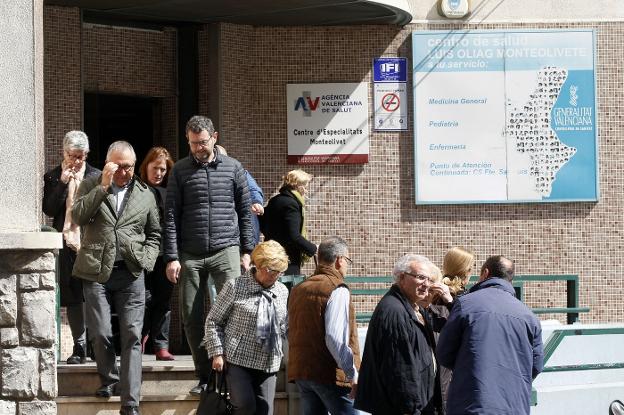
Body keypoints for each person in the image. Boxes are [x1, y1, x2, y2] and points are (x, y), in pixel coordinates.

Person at [163, 115, 255, 394]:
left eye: (202, 142)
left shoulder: (233, 168)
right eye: (192, 144)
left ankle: (232, 374)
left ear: (214, 137)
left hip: (226, 247)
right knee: (191, 315)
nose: (198, 148)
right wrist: (172, 256)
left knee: (234, 312)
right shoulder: (179, 171)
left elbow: (245, 210)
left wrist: (247, 250)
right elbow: (170, 215)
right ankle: (205, 376)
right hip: (190, 252)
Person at [72, 141, 161, 415]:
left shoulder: (145, 194)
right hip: (96, 271)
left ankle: (131, 403)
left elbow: (155, 234)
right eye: (118, 166)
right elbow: (77, 215)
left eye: (129, 167)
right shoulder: (90, 185)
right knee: (100, 333)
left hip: (131, 274)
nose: (124, 172)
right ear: (108, 163)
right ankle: (110, 378)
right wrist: (103, 185)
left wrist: (146, 260)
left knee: (133, 336)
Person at [436, 255, 544, 415]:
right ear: (510, 278)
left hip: (471, 403)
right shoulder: (529, 316)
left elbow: (444, 353)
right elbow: (535, 366)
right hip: (514, 406)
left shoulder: (466, 304)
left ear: (485, 273)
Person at [204, 240, 289, 415]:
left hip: (269, 361)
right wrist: (217, 353)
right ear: (258, 266)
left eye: (280, 272)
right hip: (239, 359)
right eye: (273, 271)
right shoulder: (235, 286)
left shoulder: (282, 291)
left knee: (265, 410)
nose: (277, 276)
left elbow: (283, 325)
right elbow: (213, 320)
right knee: (245, 406)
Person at [354, 254, 441, 415]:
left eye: (429, 280)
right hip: (403, 408)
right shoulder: (395, 312)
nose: (426, 285)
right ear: (402, 277)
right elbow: (400, 369)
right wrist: (411, 408)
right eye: (421, 277)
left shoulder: (413, 307)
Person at [43, 130, 100, 364]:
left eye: (80, 157)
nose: (76, 162)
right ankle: (80, 347)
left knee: (95, 295)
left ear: (86, 154)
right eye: (71, 156)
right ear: (63, 153)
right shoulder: (54, 176)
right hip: (66, 242)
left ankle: (98, 346)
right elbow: (49, 210)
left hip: (90, 241)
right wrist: (63, 183)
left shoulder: (96, 176)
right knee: (74, 296)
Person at [288, 236, 360, 415]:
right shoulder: (337, 288)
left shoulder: (299, 288)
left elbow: (288, 329)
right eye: (347, 261)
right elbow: (334, 337)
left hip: (302, 371)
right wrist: (352, 374)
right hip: (329, 374)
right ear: (339, 260)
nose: (346, 266)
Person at [427, 247, 475, 412]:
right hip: (451, 374)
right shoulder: (460, 299)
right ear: (464, 271)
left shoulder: (433, 294)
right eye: (470, 268)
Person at [138, 147, 175, 361]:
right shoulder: (137, 189)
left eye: (163, 169)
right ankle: (140, 338)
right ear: (146, 167)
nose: (159, 173)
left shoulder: (170, 192)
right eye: (156, 168)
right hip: (142, 254)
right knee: (142, 299)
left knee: (163, 299)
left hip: (165, 254)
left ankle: (161, 345)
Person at [261, 169, 316, 276]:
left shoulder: (275, 200)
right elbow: (294, 236)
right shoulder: (292, 204)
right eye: (305, 186)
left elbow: (264, 225)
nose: (306, 190)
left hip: (271, 254)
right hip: (287, 259)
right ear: (297, 186)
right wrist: (313, 249)